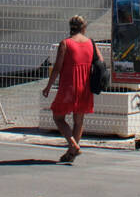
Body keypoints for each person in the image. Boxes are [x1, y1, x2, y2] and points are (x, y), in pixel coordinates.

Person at [42, 15, 102, 164]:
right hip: (85, 85)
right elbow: (100, 61)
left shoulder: (65, 43)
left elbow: (57, 68)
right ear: (84, 27)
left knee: (58, 117)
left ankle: (73, 146)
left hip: (69, 85)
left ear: (70, 27)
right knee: (78, 120)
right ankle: (72, 152)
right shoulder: (91, 43)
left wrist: (48, 86)